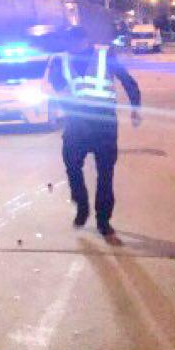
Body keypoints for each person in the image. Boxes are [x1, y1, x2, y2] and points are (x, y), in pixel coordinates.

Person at [49, 26, 141, 236]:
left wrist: (135, 107)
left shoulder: (105, 55)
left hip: (103, 124)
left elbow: (127, 80)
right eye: (67, 42)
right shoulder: (60, 61)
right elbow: (57, 84)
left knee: (105, 173)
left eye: (72, 42)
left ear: (84, 41)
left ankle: (103, 220)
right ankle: (82, 205)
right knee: (72, 166)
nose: (69, 46)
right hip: (76, 124)